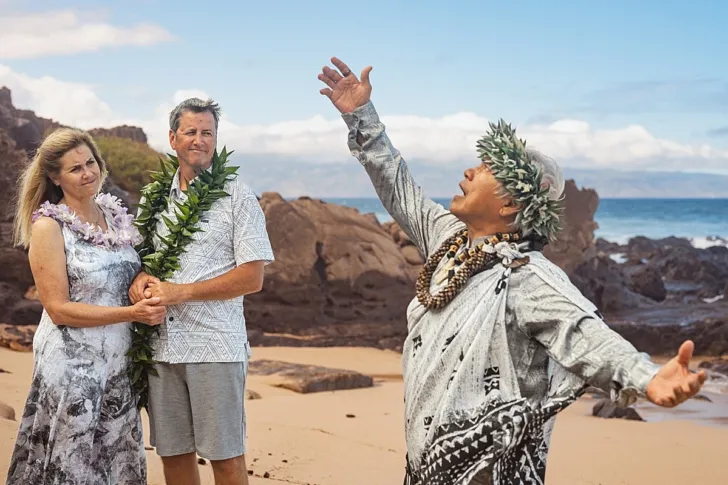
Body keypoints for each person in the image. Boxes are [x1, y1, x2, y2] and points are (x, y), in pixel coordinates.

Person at [317, 57, 707, 485]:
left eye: (484, 168)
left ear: (509, 206)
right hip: (425, 471)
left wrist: (647, 376)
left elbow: (581, 330)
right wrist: (360, 115)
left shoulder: (526, 276)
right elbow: (395, 182)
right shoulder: (450, 241)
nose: (469, 170)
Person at [6, 128, 166, 485]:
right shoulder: (49, 227)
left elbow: (126, 270)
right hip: (72, 369)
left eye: (90, 162)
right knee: (70, 463)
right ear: (54, 176)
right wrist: (132, 314)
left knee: (113, 459)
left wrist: (142, 278)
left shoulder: (115, 216)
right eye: (75, 168)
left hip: (119, 364)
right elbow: (58, 308)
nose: (88, 172)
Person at [128, 97, 274, 485]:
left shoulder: (238, 196)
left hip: (215, 348)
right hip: (162, 347)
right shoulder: (154, 200)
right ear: (173, 139)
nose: (200, 140)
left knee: (225, 459)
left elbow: (252, 277)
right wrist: (140, 279)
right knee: (173, 456)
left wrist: (182, 292)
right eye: (191, 132)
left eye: (207, 132)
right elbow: (143, 260)